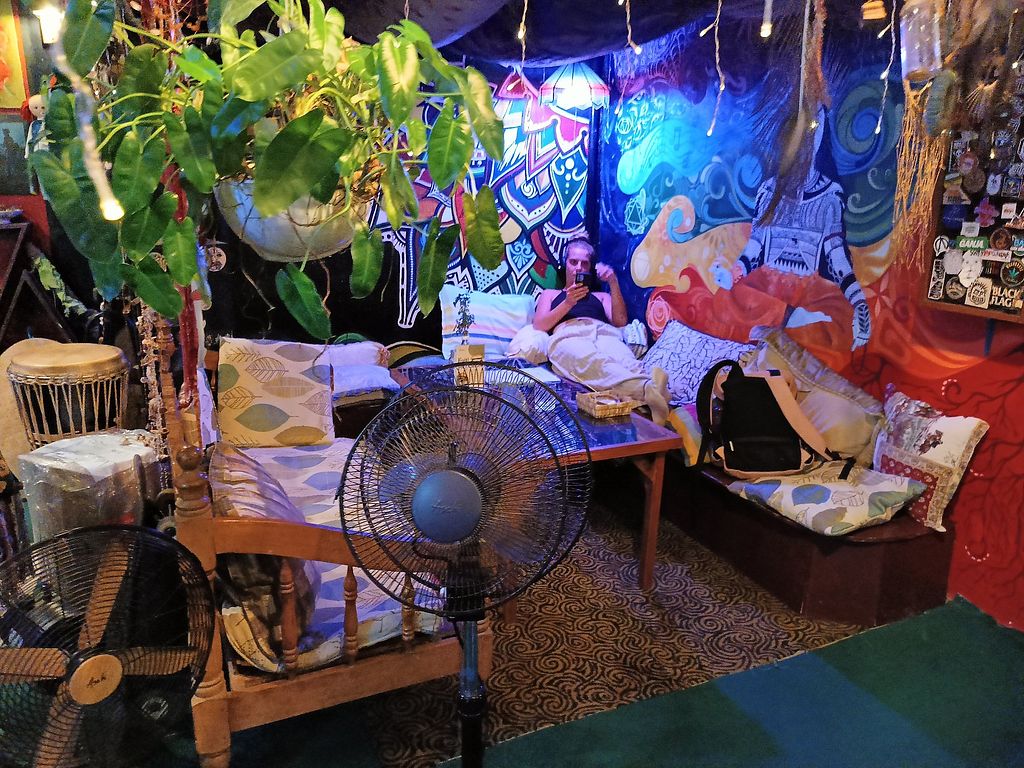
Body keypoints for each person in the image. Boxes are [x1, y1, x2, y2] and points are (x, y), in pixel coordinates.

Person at [534, 236, 670, 425]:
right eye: (573, 262)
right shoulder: (551, 294)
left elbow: (620, 322)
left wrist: (613, 282)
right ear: (565, 264)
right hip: (568, 333)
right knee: (596, 362)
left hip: (604, 332)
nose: (579, 268)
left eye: (584, 263)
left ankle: (649, 390)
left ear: (590, 268)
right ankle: (650, 389)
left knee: (627, 361)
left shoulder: (600, 296)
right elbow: (539, 325)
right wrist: (568, 302)